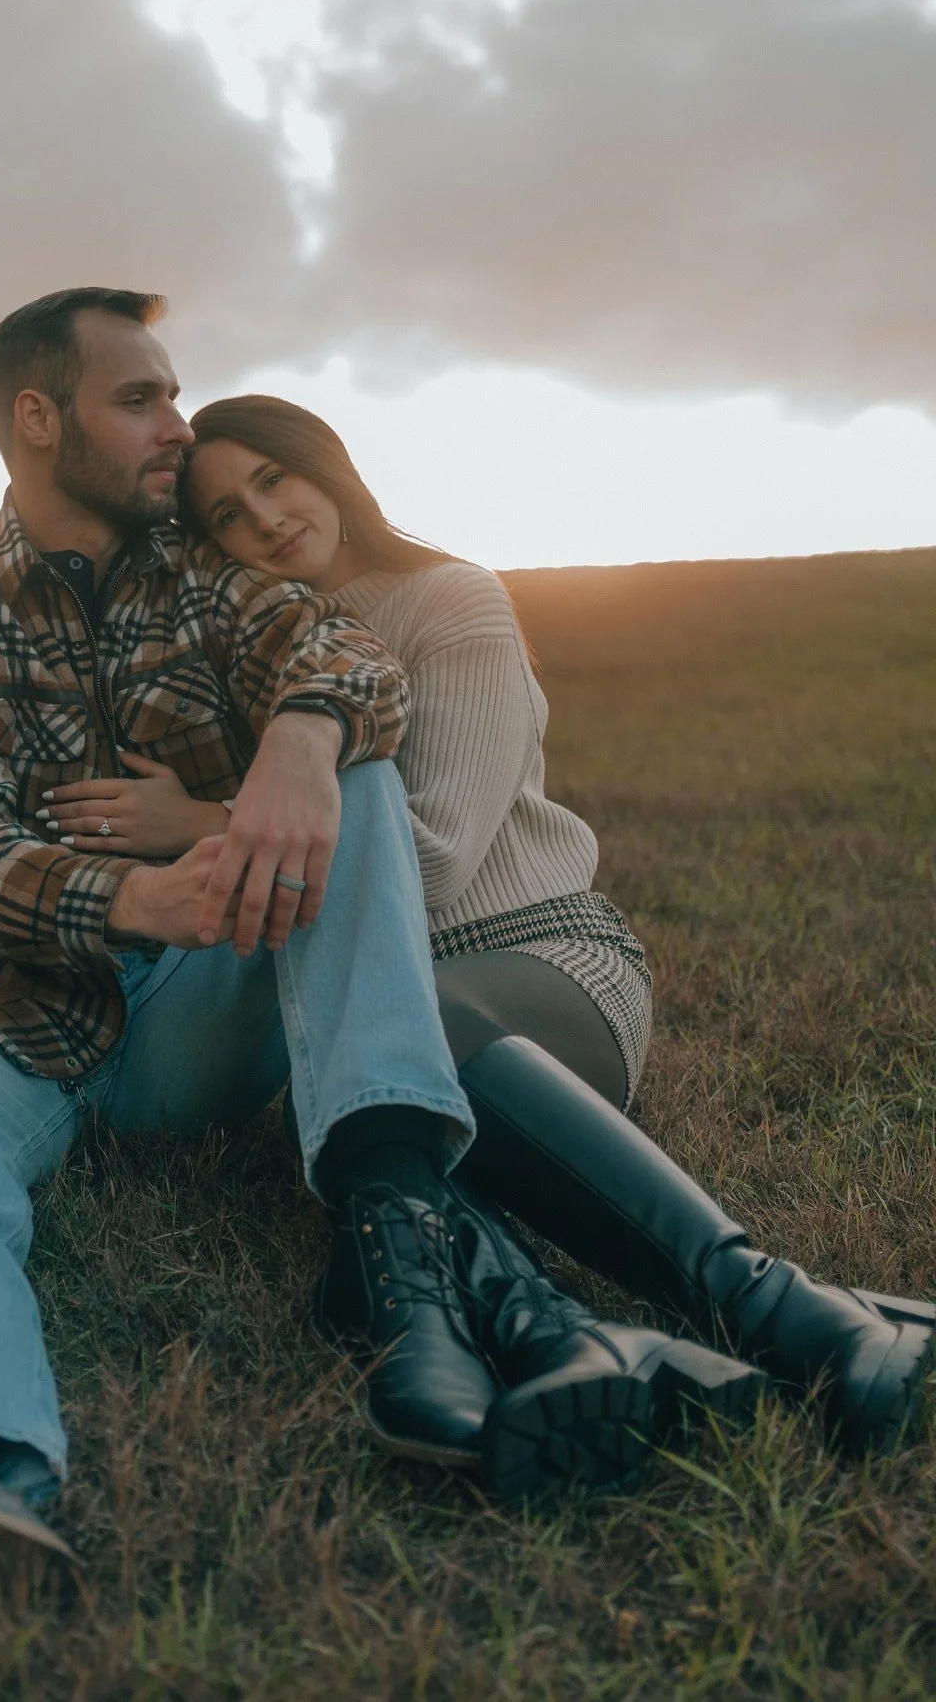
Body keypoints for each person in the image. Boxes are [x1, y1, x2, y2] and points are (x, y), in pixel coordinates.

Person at [0, 291, 761, 1601]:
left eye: (175, 393)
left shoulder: (210, 580)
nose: (177, 423)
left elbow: (353, 667)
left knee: (353, 775)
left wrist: (296, 741)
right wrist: (133, 900)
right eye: (142, 399)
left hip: (201, 1003)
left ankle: (394, 1213)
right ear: (39, 417)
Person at [81, 393, 930, 1465]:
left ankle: (783, 1308)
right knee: (371, 1093)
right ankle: (582, 1343)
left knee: (396, 1054)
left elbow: (425, 859)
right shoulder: (273, 651)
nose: (266, 519)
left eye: (274, 478)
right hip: (396, 1003)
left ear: (326, 465)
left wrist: (198, 823)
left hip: (544, 964)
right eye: (228, 516)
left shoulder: (449, 599)